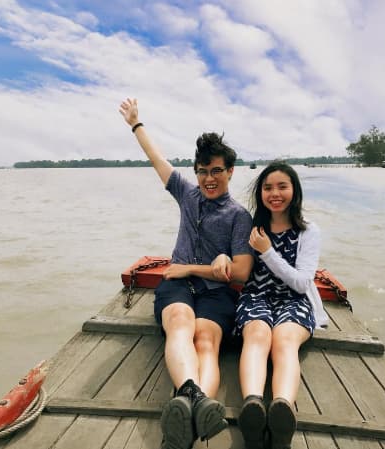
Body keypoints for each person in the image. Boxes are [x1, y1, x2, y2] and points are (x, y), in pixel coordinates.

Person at [119, 98, 254, 449]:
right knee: (180, 321)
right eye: (202, 171)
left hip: (214, 292)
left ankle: (186, 407)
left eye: (216, 171)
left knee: (206, 342)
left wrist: (193, 267)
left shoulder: (239, 216)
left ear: (230, 172)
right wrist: (136, 124)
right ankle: (195, 398)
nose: (209, 179)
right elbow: (157, 160)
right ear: (196, 172)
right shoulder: (187, 194)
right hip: (178, 289)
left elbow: (240, 272)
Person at [233, 161, 329, 449]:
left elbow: (301, 283)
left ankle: (282, 411)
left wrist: (268, 252)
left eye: (282, 187)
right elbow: (238, 265)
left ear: (294, 191)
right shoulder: (251, 227)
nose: (275, 193)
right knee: (257, 335)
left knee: (284, 340)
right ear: (260, 193)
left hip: (294, 299)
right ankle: (252, 407)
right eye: (268, 187)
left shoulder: (309, 231)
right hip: (255, 296)